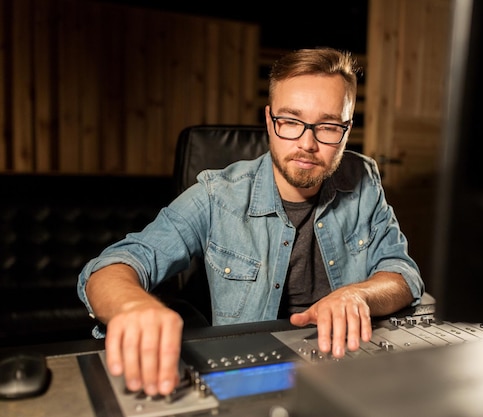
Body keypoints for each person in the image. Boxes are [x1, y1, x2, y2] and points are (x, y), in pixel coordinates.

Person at [77, 47, 424, 396]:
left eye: (329, 126)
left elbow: (402, 273)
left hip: (344, 372)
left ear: (347, 129)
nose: (307, 143)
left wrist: (358, 295)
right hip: (251, 378)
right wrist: (133, 306)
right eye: (290, 121)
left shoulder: (364, 179)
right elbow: (111, 267)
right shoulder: (217, 195)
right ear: (269, 119)